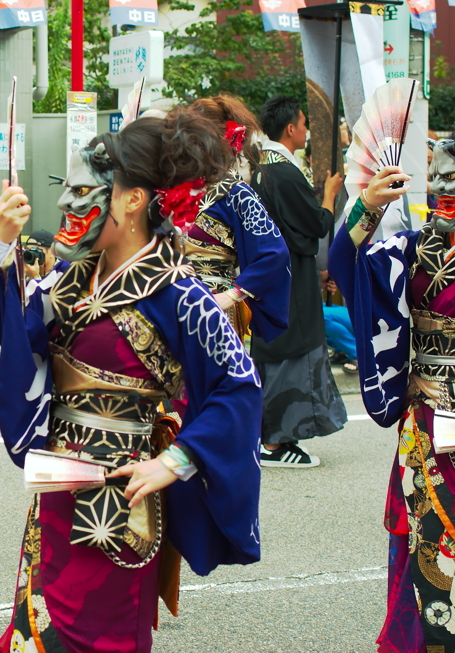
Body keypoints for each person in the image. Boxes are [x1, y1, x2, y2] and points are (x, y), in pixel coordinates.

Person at [0, 110, 263, 653]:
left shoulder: (180, 295)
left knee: (97, 639)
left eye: (85, 190)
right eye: (67, 190)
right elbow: (17, 336)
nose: (65, 204)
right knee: (34, 636)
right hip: (58, 488)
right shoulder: (70, 277)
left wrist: (174, 461)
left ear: (133, 200)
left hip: (118, 496)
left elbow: (239, 385)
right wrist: (0, 247)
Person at [328, 150, 453, 651]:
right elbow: (345, 261)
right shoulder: (411, 249)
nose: (446, 187)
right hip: (427, 420)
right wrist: (366, 209)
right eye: (439, 176)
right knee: (427, 530)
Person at [250, 96, 347, 468]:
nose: (306, 129)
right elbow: (315, 224)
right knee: (293, 351)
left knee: (280, 349)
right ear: (290, 128)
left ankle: (274, 437)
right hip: (290, 278)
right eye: (303, 123)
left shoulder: (263, 169)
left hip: (279, 274)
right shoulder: (283, 172)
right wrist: (329, 195)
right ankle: (276, 442)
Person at [183, 94, 291, 340]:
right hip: (172, 303)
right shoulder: (174, 189)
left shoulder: (237, 194)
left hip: (214, 308)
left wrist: (233, 294)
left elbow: (274, 252)